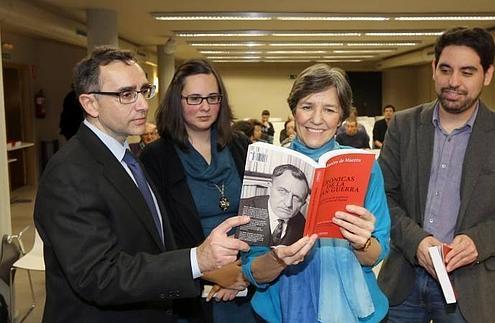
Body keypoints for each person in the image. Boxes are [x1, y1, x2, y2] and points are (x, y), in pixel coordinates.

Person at [34, 47, 250, 323]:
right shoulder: (70, 172)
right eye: (126, 94)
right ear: (90, 104)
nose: (142, 104)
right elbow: (99, 276)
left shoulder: (128, 157)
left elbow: (155, 240)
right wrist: (197, 261)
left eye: (143, 91)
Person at [377, 27, 495, 323]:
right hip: (402, 282)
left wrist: (478, 241)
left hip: (471, 288)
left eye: (467, 72)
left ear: (488, 74)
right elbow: (382, 196)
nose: (453, 82)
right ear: (434, 69)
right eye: (446, 70)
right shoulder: (403, 126)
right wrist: (416, 241)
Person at [242, 64, 391, 323]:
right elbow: (252, 268)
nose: (317, 119)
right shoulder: (267, 164)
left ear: (342, 117)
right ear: (293, 110)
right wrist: (278, 259)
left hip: (354, 308)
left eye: (330, 109)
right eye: (307, 106)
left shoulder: (366, 169)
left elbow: (378, 253)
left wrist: (361, 242)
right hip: (278, 309)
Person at [140, 59, 257, 322]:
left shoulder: (240, 145)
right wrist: (213, 272)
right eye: (194, 98)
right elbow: (158, 233)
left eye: (212, 97)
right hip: (193, 289)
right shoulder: (156, 158)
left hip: (247, 281)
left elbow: (262, 213)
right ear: (176, 101)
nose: (205, 107)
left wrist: (244, 272)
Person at [241, 164, 309, 246]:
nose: (288, 204)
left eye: (296, 198)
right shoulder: (242, 208)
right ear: (270, 187)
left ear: (303, 204)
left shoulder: (302, 225)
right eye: (282, 191)